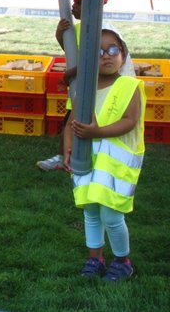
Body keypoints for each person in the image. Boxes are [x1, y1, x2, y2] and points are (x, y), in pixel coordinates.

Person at [63, 25, 144, 282]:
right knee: (91, 211)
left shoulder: (129, 85)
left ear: (122, 54)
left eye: (112, 50)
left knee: (111, 214)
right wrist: (67, 147)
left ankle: (122, 261)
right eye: (98, 51)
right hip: (88, 160)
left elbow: (130, 121)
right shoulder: (84, 89)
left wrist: (97, 132)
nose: (106, 55)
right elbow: (71, 121)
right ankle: (94, 258)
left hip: (116, 167)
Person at [38, 0, 112, 171]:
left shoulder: (102, 31)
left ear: (94, 6)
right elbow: (71, 52)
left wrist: (69, 74)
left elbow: (95, 62)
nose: (73, 6)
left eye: (78, 3)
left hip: (95, 89)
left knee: (76, 125)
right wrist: (60, 33)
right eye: (74, 2)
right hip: (82, 86)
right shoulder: (81, 28)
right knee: (69, 124)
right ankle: (66, 156)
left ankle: (71, 158)